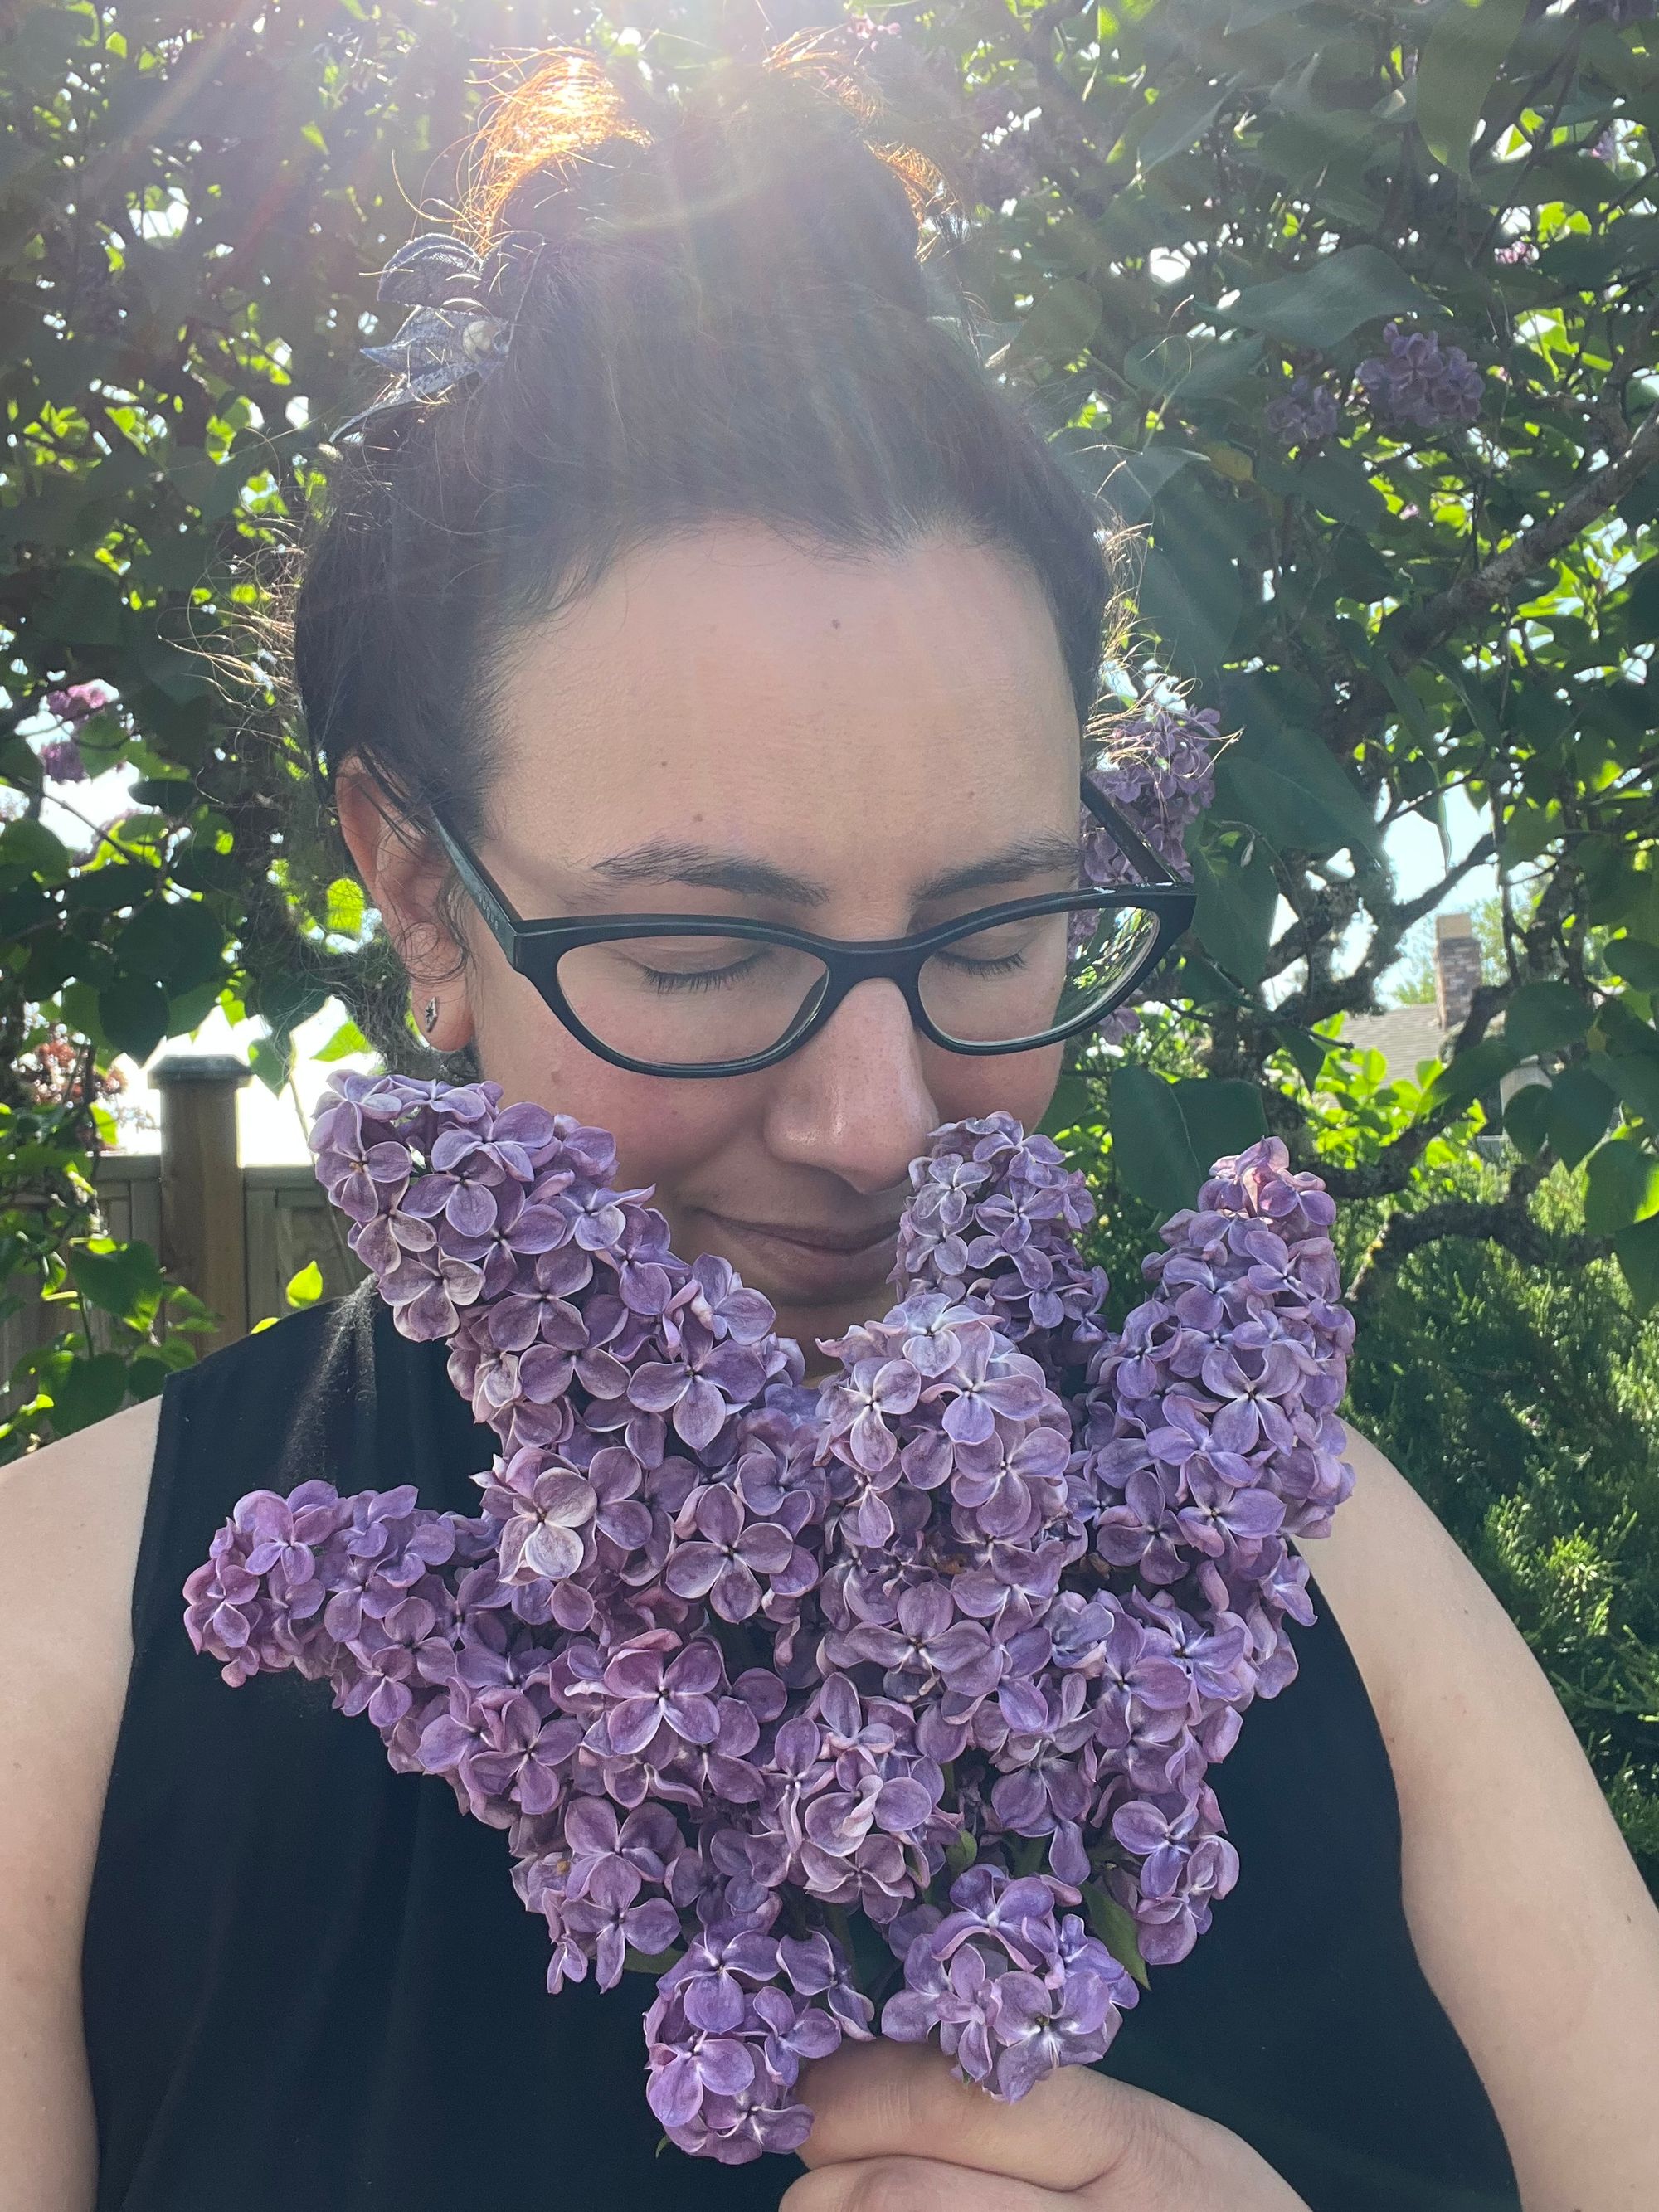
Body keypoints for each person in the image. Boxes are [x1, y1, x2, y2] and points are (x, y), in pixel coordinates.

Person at [2, 41, 1657, 2212]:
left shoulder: (1302, 1544)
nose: (880, 1127)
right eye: (698, 950)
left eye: (994, 927)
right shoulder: (58, 1660)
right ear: (418, 888)